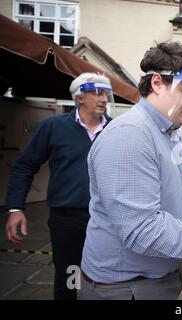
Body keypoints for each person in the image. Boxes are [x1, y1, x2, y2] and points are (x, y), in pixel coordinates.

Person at [79, 40, 182, 300]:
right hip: (126, 286)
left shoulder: (173, 133)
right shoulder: (130, 135)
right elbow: (143, 231)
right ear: (158, 83)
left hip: (160, 273)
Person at [4, 72, 113, 300]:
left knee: (108, 279)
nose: (103, 98)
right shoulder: (53, 127)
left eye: (105, 93)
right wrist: (15, 208)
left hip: (108, 218)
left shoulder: (116, 130)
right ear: (79, 98)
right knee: (69, 277)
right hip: (67, 219)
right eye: (97, 93)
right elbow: (24, 166)